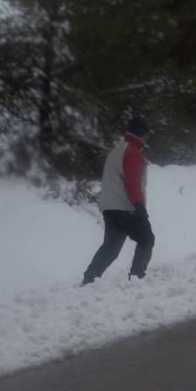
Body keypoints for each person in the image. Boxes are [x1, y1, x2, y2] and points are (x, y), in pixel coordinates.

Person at [82, 117, 155, 285]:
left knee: (111, 247)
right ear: (142, 134)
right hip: (126, 207)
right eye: (146, 134)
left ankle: (89, 279)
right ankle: (137, 279)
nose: (147, 138)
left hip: (109, 207)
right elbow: (132, 182)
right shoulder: (134, 152)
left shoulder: (117, 150)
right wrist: (139, 207)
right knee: (147, 239)